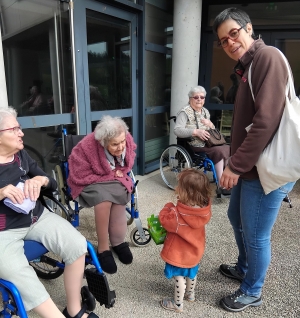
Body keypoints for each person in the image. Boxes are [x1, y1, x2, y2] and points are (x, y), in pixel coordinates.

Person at [213, 7, 296, 312]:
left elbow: (266, 122)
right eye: (223, 40)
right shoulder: (248, 66)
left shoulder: (266, 57)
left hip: (264, 170)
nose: (230, 42)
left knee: (257, 234)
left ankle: (252, 290)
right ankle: (244, 267)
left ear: (248, 28)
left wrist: (235, 165)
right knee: (237, 219)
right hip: (253, 168)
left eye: (233, 33)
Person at [0, 107, 98, 318]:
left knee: (77, 244)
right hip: (3, 231)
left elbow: (51, 182)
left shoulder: (20, 156)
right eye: (14, 129)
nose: (21, 133)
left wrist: (41, 180)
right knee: (17, 273)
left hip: (35, 218)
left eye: (20, 128)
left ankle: (73, 309)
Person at [67, 115, 136, 275]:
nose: (120, 147)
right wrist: (110, 174)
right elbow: (79, 172)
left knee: (120, 197)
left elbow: (128, 161)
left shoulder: (126, 138)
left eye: (122, 142)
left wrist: (117, 172)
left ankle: (118, 242)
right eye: (114, 144)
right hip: (91, 181)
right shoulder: (87, 146)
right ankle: (103, 248)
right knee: (103, 200)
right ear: (103, 142)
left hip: (112, 177)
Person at [159, 168, 212, 313]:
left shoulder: (177, 214)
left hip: (179, 253)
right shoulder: (203, 211)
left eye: (179, 186)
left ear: (186, 192)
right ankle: (190, 294)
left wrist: (167, 207)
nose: (176, 188)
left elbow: (164, 220)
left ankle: (177, 304)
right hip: (195, 252)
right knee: (191, 273)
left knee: (179, 277)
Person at [174, 85, 230, 195]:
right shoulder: (184, 112)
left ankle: (227, 180)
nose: (199, 99)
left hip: (209, 142)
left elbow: (212, 130)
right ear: (190, 99)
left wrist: (211, 124)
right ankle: (221, 183)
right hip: (194, 144)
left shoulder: (205, 111)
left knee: (228, 148)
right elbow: (177, 130)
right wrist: (195, 131)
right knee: (218, 151)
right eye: (196, 97)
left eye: (202, 97)